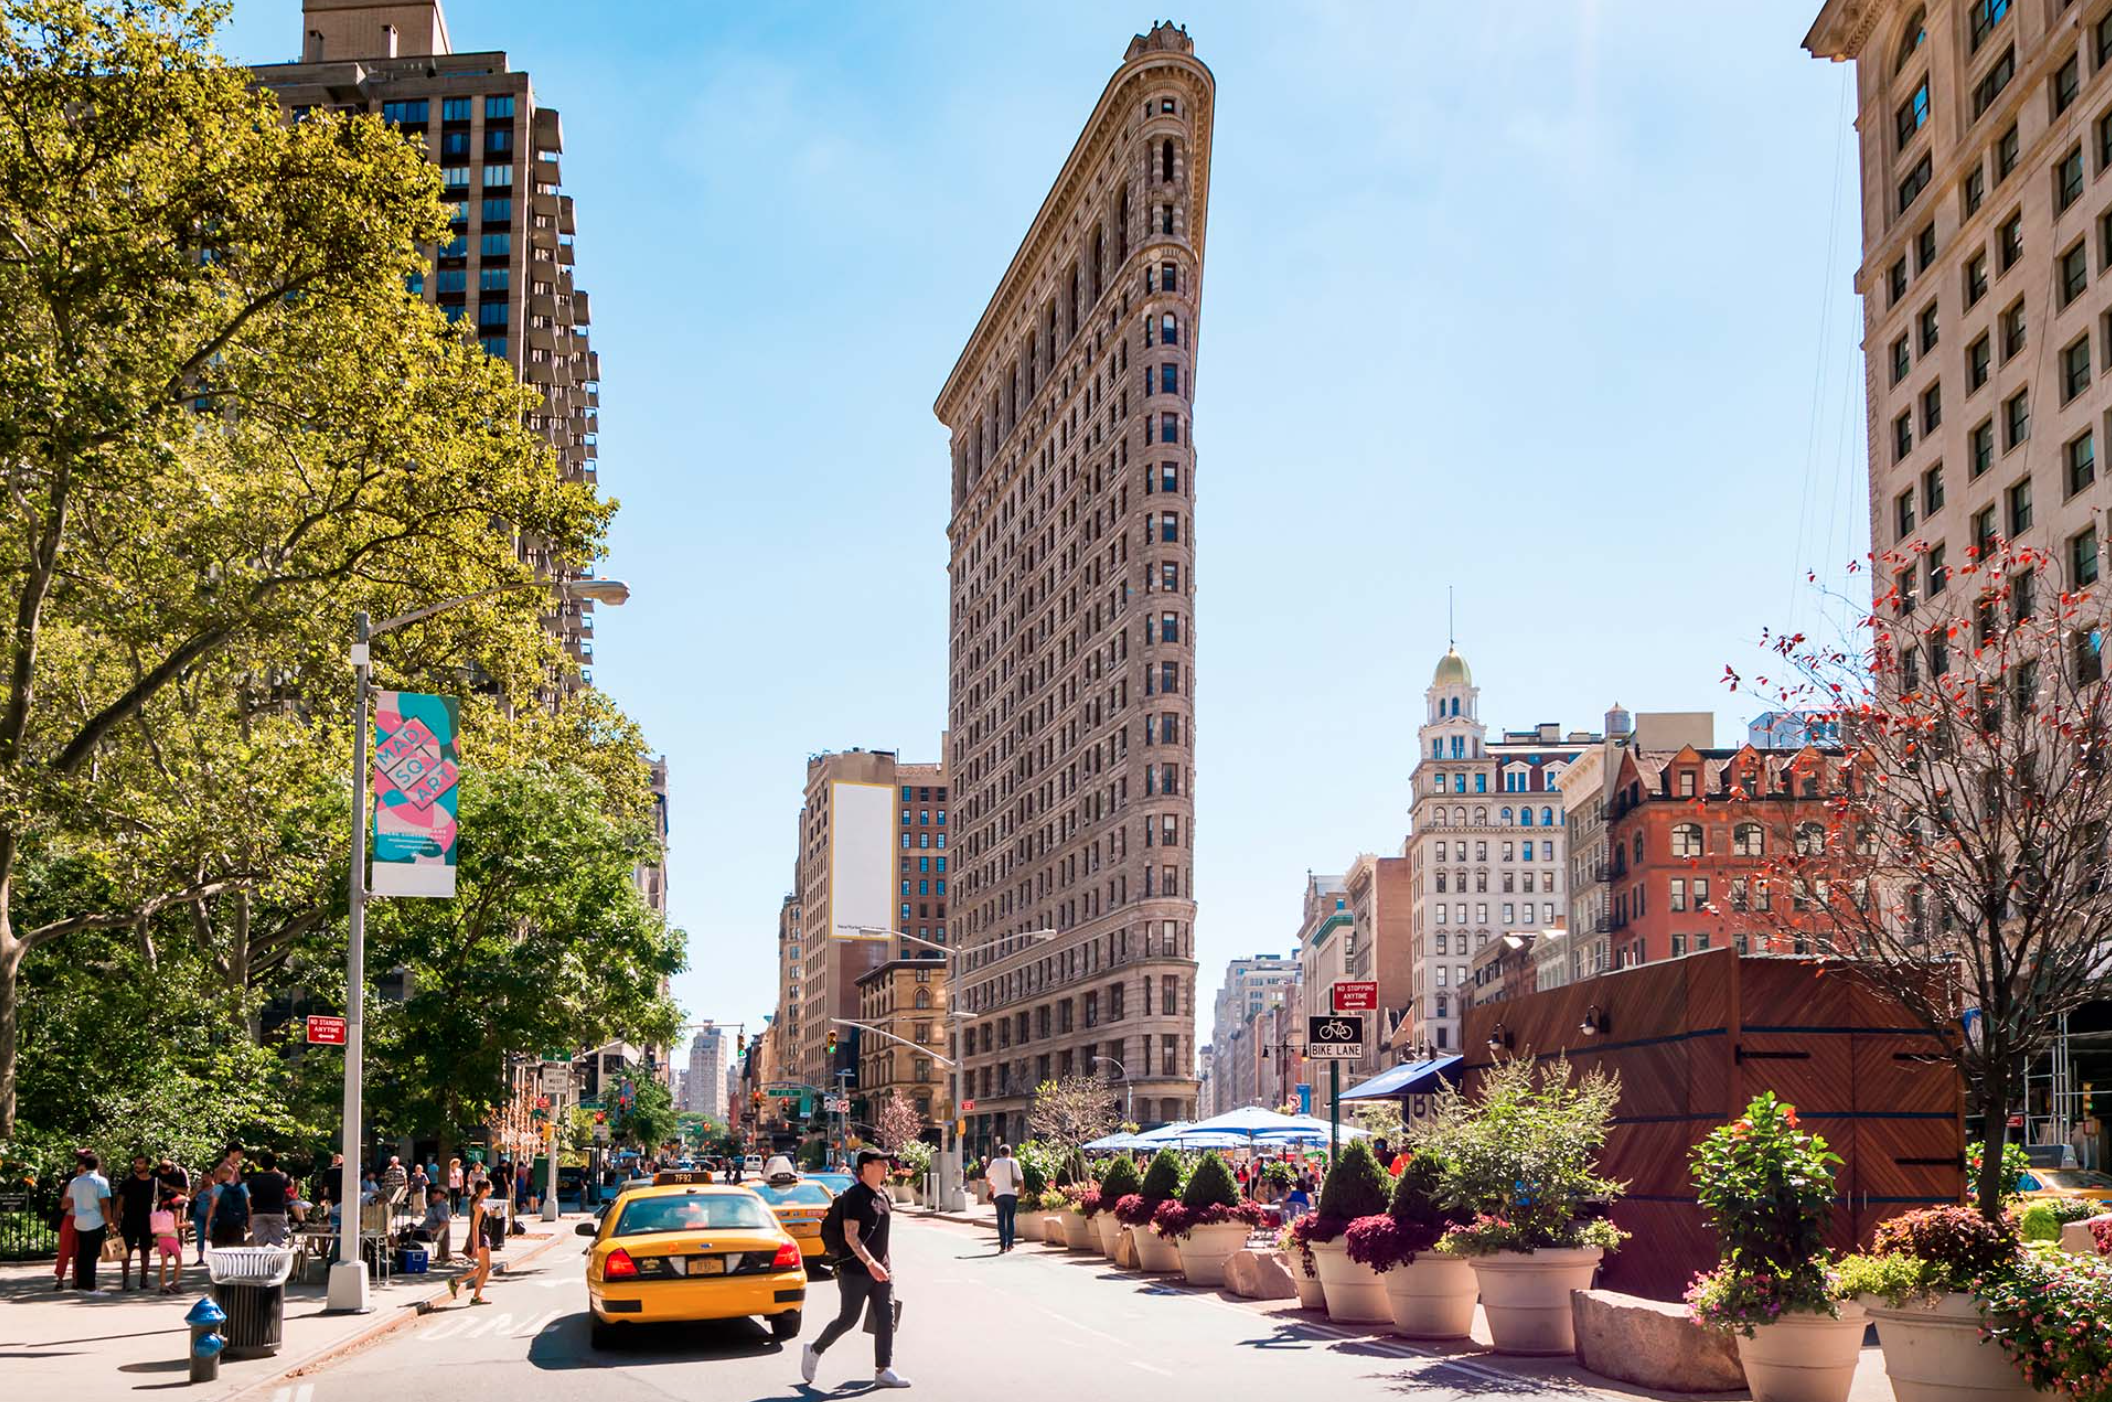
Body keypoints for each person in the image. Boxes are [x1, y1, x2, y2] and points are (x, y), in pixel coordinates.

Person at [802, 1150, 909, 1389]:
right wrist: (871, 1263)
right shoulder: (854, 1196)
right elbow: (851, 1237)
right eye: (882, 1163)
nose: (886, 1167)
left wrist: (886, 1266)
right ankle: (815, 1349)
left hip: (882, 1270)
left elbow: (882, 1236)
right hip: (855, 1270)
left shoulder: (883, 1195)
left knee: (886, 1316)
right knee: (848, 1319)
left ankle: (884, 1369)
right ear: (867, 1167)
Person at [66, 1151, 113, 1293]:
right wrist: (110, 1223)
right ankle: (90, 1285)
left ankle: (80, 1283)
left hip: (79, 1221)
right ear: (98, 1165)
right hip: (95, 1221)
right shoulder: (101, 1181)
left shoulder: (75, 1181)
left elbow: (71, 1200)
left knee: (82, 1253)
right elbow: (105, 1205)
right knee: (92, 1254)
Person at [116, 1155, 160, 1289]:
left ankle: (144, 1280)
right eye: (135, 1163)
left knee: (145, 1250)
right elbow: (119, 1202)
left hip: (147, 1221)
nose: (137, 1165)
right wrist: (115, 1221)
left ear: (147, 1165)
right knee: (126, 1251)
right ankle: (125, 1281)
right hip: (129, 1220)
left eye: (140, 1163)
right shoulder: (127, 1182)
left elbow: (158, 1201)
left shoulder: (155, 1182)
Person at [456, 1179, 497, 1305]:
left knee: (483, 1268)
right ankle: (475, 1296)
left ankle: (457, 1282)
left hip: (483, 1236)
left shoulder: (480, 1203)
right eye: (490, 1187)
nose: (492, 1189)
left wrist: (492, 1213)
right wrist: (475, 1246)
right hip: (481, 1238)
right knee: (485, 1268)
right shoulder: (479, 1205)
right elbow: (475, 1227)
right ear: (484, 1189)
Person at [248, 1150, 292, 1247]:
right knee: (279, 1243)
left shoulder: (254, 1179)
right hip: (278, 1212)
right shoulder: (282, 1177)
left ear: (261, 1165)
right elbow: (290, 1184)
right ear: (275, 1165)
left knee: (259, 1245)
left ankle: (261, 1261)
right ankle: (277, 1262)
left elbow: (249, 1195)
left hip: (259, 1212)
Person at [985, 1142, 1023, 1253]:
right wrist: (1022, 1192)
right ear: (1010, 1152)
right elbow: (1021, 1179)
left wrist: (991, 1184)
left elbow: (987, 1176)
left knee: (1000, 1220)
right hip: (1011, 1194)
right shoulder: (1014, 1162)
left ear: (1000, 1153)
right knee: (1010, 1219)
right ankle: (1010, 1244)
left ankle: (1002, 1244)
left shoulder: (995, 1162)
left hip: (998, 1195)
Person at [51, 1160, 79, 1290]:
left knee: (79, 1251)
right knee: (64, 1250)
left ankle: (76, 1279)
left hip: (83, 1219)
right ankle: (60, 1279)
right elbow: (64, 1205)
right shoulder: (72, 1184)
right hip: (69, 1218)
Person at [208, 1164, 251, 1246]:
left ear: (223, 1174)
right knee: (236, 1253)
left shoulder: (218, 1188)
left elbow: (212, 1207)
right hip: (238, 1224)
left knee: (220, 1252)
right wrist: (249, 1222)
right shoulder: (243, 1186)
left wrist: (208, 1224)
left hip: (222, 1223)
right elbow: (249, 1206)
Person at [151, 1190, 185, 1294]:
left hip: (161, 1238)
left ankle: (162, 1286)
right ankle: (174, 1283)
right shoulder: (175, 1211)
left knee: (164, 1263)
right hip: (172, 1238)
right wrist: (189, 1225)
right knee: (178, 1260)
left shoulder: (159, 1210)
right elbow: (177, 1226)